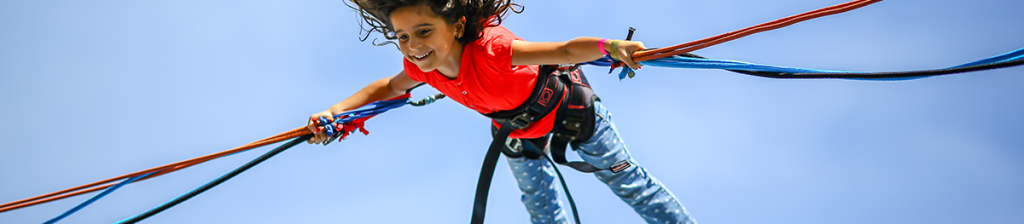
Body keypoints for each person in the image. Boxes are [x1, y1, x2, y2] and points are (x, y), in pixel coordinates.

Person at [306, 0, 695, 223]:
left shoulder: (492, 49)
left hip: (575, 117)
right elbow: (389, 88)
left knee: (631, 186)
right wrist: (335, 112)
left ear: (457, 26)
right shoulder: (421, 69)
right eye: (403, 37)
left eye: (424, 32)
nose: (412, 46)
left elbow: (563, 51)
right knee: (541, 212)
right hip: (518, 134)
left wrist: (610, 46)